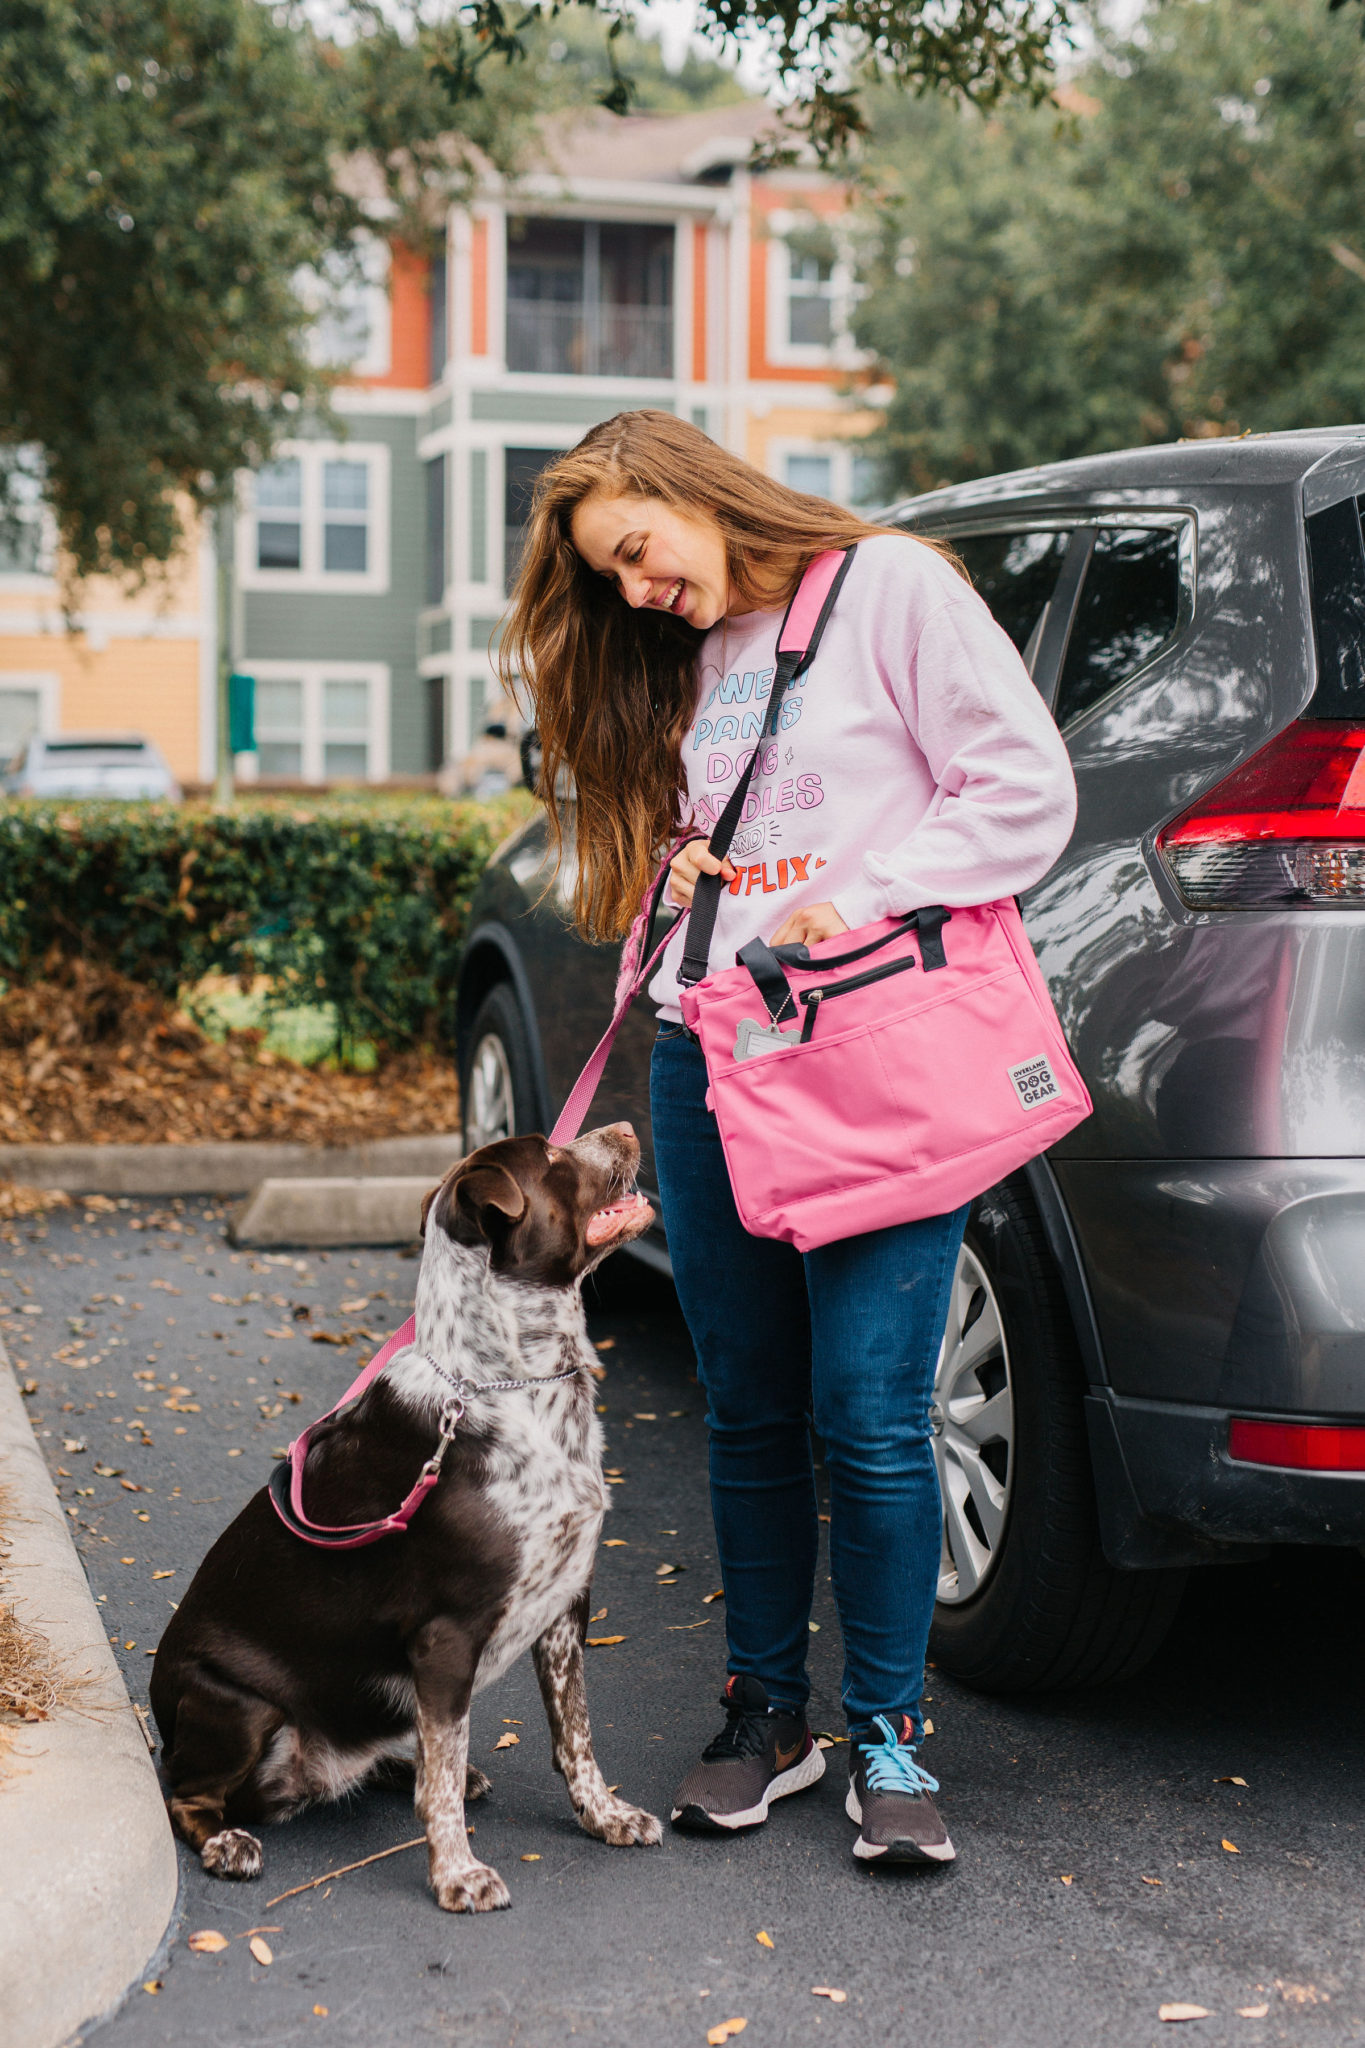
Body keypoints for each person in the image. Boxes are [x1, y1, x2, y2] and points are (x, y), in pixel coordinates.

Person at [502, 409, 1076, 1867]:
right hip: (711, 1054)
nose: (633, 590)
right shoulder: (686, 658)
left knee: (871, 1417)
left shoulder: (888, 588)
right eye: (610, 577)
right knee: (746, 1410)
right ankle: (767, 1716)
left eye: (634, 551)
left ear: (682, 488)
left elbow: (1022, 788)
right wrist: (684, 874)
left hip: (867, 1051)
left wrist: (867, 895)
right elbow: (727, 843)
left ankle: (888, 1734)